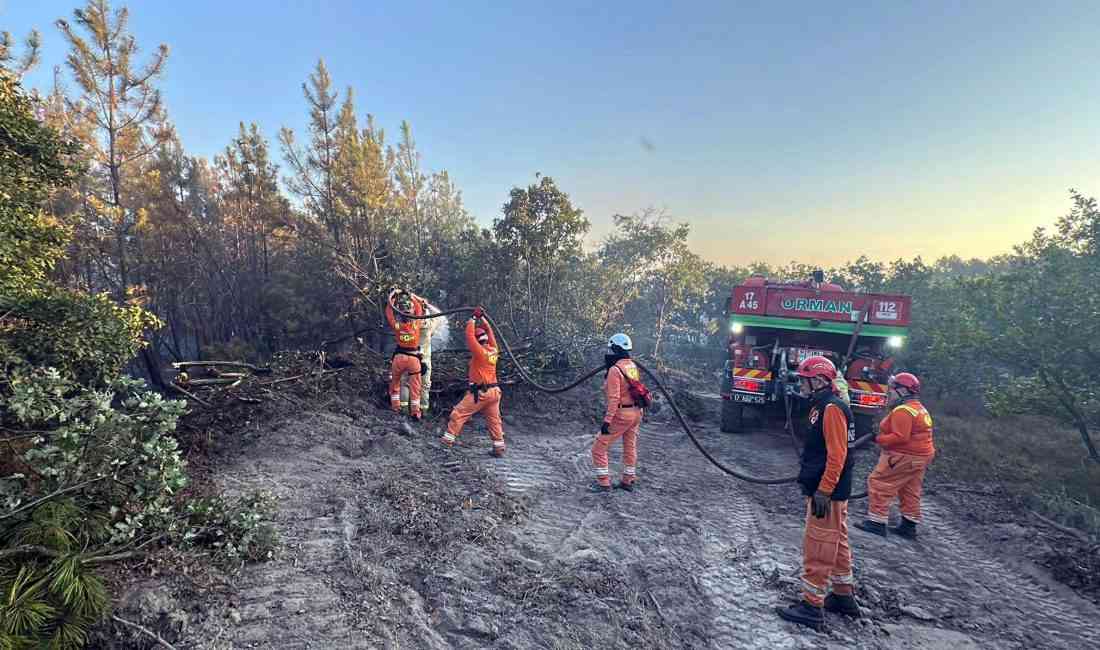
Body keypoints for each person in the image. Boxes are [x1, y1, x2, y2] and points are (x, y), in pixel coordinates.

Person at [777, 355, 860, 629]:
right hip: (830, 488)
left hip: (829, 492)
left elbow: (838, 455)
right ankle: (843, 596)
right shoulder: (823, 405)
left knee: (819, 544)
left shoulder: (832, 408)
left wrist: (824, 490)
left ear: (820, 380)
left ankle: (812, 606)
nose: (800, 383)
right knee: (837, 541)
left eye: (804, 379)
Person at [855, 373, 935, 539]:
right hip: (920, 457)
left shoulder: (903, 411)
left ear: (903, 391)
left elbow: (900, 437)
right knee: (910, 488)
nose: (889, 391)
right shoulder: (918, 408)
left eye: (892, 388)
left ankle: (876, 522)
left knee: (880, 483)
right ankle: (908, 526)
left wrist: (879, 438)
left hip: (903, 456)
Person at [440, 308, 505, 457]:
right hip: (494, 392)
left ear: (478, 341)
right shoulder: (493, 350)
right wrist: (484, 319)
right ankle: (499, 447)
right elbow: (490, 332)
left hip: (481, 393)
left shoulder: (479, 352)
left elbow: (469, 335)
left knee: (459, 413)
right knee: (494, 421)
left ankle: (446, 442)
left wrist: (473, 318)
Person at [590, 333, 643, 493]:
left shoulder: (615, 370)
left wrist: (607, 422)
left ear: (616, 348)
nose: (609, 352)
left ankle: (604, 483)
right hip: (636, 413)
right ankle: (628, 480)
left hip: (622, 414)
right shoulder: (632, 366)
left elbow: (614, 399)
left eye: (611, 348)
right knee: (630, 446)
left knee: (598, 447)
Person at [385, 289, 426, 420]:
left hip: (399, 359)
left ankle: (396, 408)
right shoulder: (416, 324)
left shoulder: (397, 326)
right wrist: (410, 296)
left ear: (401, 316)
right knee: (416, 387)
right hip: (414, 360)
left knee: (395, 383)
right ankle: (415, 412)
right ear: (412, 316)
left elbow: (389, 312)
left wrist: (393, 298)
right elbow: (419, 309)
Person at [400, 299, 442, 414]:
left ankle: (404, 410)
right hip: (424, 361)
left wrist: (412, 298)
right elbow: (439, 316)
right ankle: (423, 412)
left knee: (405, 384)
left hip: (409, 359)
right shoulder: (429, 325)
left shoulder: (409, 325)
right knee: (424, 387)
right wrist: (426, 305)